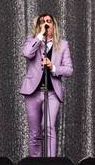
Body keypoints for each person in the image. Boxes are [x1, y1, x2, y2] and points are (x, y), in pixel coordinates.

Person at [20, 13, 73, 157]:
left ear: (54, 26)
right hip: (33, 93)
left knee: (49, 127)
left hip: (52, 93)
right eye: (42, 22)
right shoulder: (32, 41)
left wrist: (53, 67)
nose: (46, 24)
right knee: (35, 132)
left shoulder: (62, 45)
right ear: (38, 25)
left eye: (49, 21)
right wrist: (39, 36)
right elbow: (26, 53)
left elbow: (69, 70)